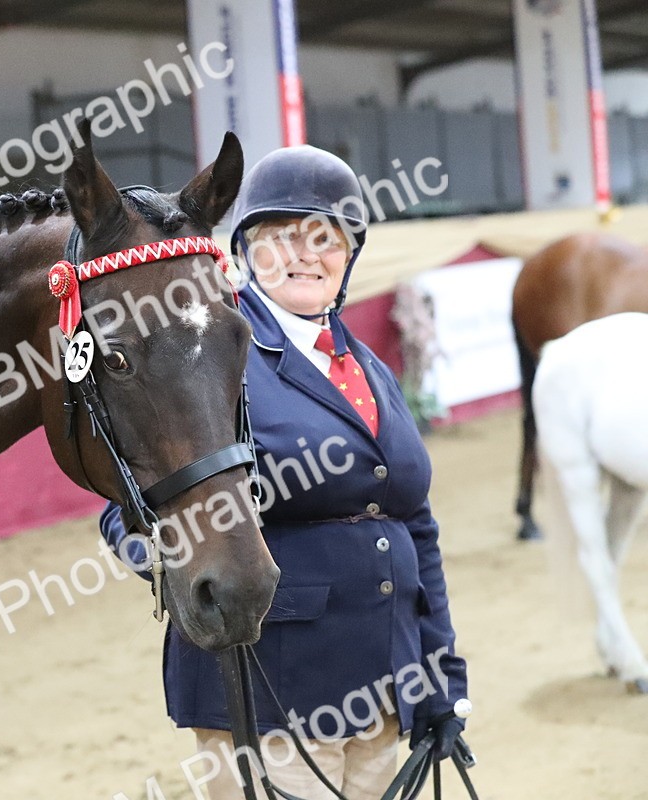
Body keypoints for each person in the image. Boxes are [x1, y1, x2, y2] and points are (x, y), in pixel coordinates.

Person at [99, 145, 469, 800]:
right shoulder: (208, 356)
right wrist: (168, 558)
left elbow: (415, 525)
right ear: (245, 250)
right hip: (268, 692)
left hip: (383, 686)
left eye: (325, 239)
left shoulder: (368, 368)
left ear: (349, 255)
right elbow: (124, 501)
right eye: (281, 238)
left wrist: (439, 680)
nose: (305, 255)